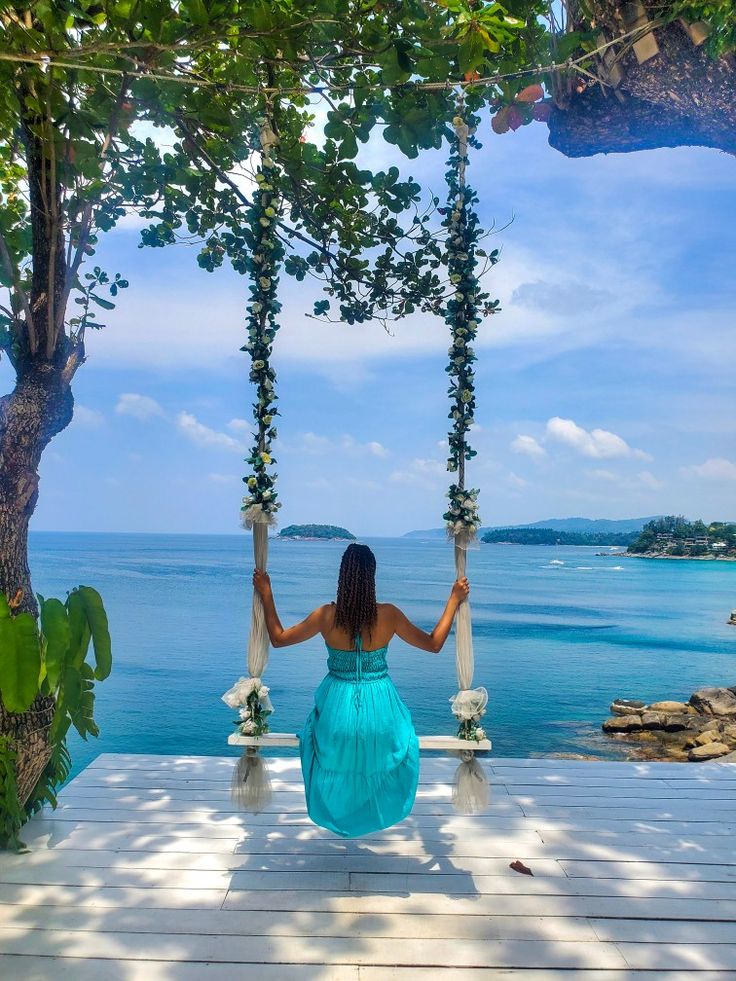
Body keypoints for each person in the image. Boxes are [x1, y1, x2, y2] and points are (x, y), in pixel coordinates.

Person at [253, 542, 470, 838]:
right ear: (372, 578)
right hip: (380, 706)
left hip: (336, 706)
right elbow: (434, 644)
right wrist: (453, 599)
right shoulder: (389, 615)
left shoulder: (326, 616)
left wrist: (267, 594)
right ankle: (372, 812)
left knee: (322, 741)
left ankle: (340, 813)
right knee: (395, 744)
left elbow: (277, 638)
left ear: (342, 576)